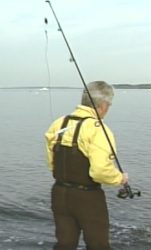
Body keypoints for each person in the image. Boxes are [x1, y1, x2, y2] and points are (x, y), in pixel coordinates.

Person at [44, 81, 128, 250]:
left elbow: (51, 163)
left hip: (59, 194)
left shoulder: (58, 123)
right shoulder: (98, 129)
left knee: (65, 245)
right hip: (88, 197)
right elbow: (100, 172)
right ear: (103, 105)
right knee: (98, 245)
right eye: (109, 105)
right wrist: (120, 178)